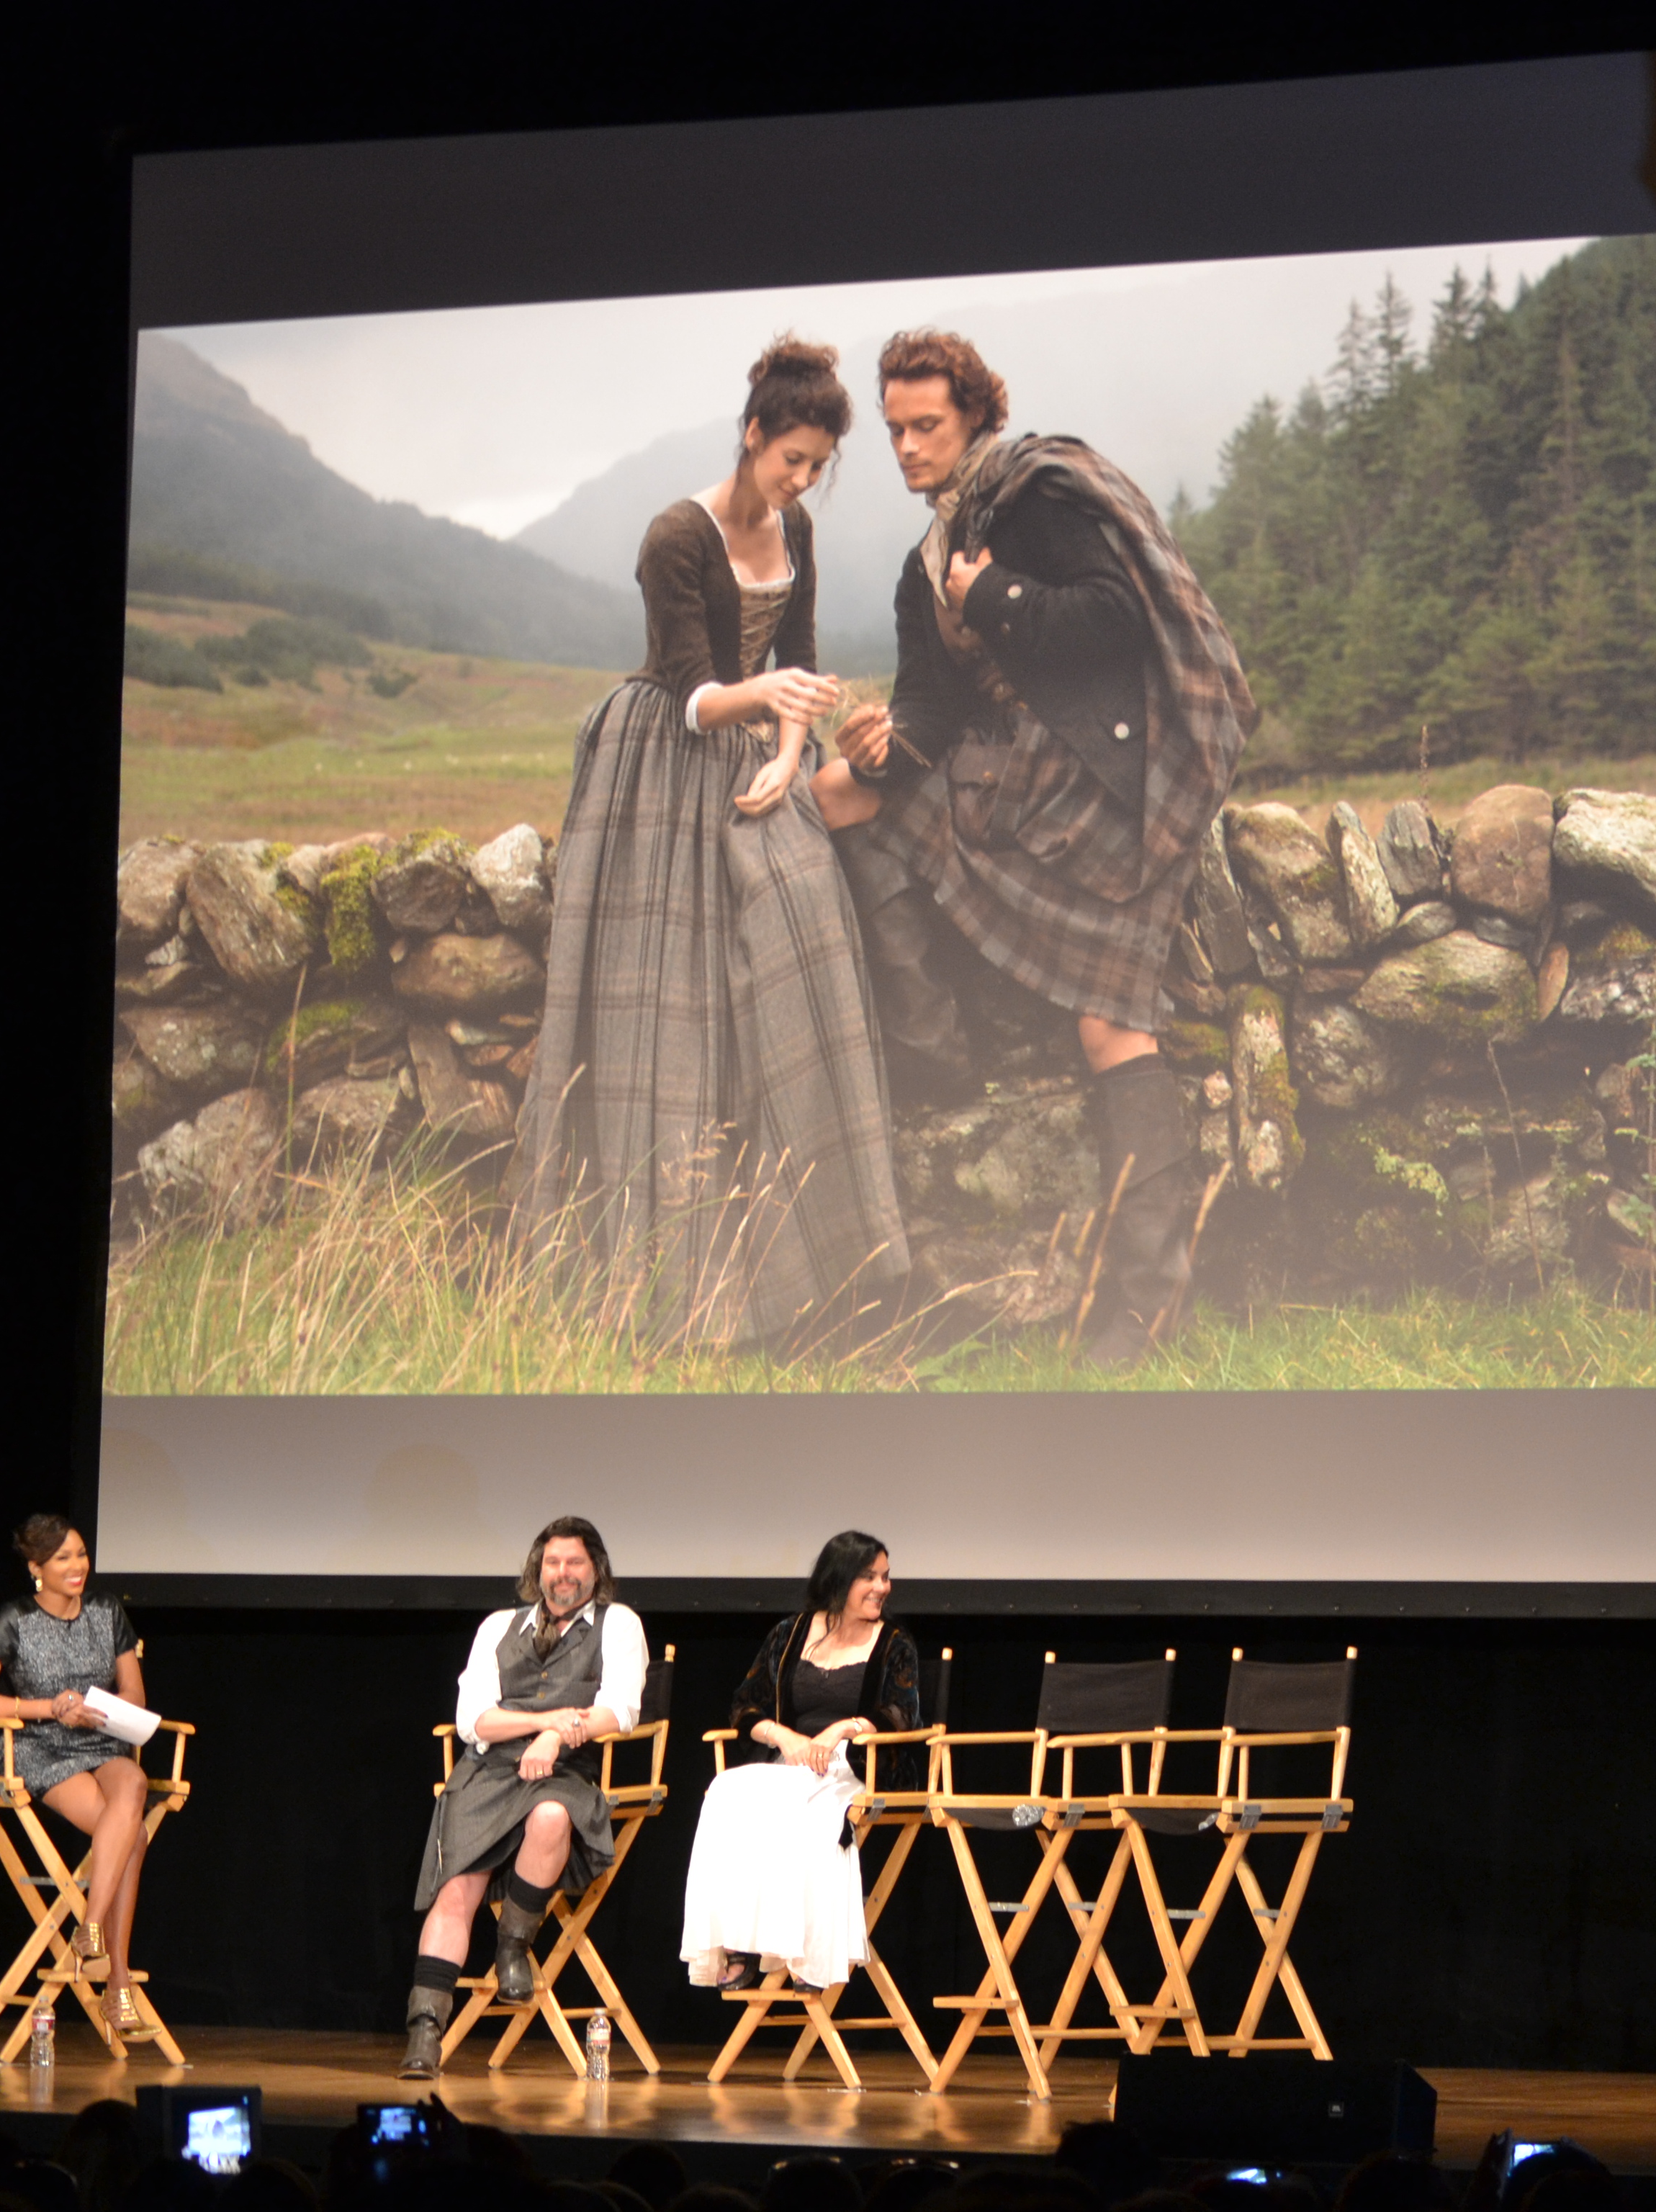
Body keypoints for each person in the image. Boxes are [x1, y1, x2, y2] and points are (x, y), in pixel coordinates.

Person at [822, 329, 1256, 1366]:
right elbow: (932, 707)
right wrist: (886, 744)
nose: (908, 447)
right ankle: (932, 1051)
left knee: (1110, 1029)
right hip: (1013, 781)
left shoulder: (1033, 498)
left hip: (1113, 790)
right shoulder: (925, 562)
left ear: (975, 414)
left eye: (927, 425)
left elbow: (1117, 619)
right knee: (837, 799)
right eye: (894, 430)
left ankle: (1146, 1310)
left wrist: (993, 598)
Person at [508, 336, 911, 1352]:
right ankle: (663, 1278)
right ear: (753, 433)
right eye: (792, 458)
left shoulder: (797, 528)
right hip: (663, 758)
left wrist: (789, 757)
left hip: (753, 751)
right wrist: (763, 699)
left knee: (804, 929)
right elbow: (691, 692)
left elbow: (802, 663)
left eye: (818, 465)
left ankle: (821, 1261)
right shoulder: (675, 536)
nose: (802, 479)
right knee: (674, 1004)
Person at [401, 1516, 652, 2077]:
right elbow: (474, 1720)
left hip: (565, 1768)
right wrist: (544, 1720)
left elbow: (620, 1710)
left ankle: (513, 1945)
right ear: (538, 1570)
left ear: (596, 1570)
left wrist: (556, 1736)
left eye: (575, 1563)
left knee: (552, 1815)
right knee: (457, 1888)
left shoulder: (618, 1623)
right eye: (553, 1563)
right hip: (489, 1771)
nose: (563, 1573)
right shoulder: (499, 1626)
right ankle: (425, 2031)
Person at [678, 1531, 920, 1992]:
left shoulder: (894, 1643)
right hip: (789, 1761)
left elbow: (902, 1714)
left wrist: (842, 1730)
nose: (882, 1588)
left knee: (802, 1802)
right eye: (869, 1577)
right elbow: (744, 1706)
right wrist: (783, 1736)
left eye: (886, 1577)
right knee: (726, 1790)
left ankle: (805, 1951)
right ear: (838, 1580)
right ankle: (739, 1942)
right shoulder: (789, 1635)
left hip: (858, 1764)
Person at [0, 1516, 159, 2036]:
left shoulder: (107, 1611)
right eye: (63, 1557)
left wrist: (96, 1709)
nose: (77, 1566)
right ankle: (117, 1982)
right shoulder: (15, 1618)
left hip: (101, 1739)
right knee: (132, 1835)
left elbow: (135, 1694)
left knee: (135, 1785)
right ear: (36, 1568)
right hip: (40, 1747)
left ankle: (89, 1925)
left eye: (81, 1554)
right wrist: (50, 1707)